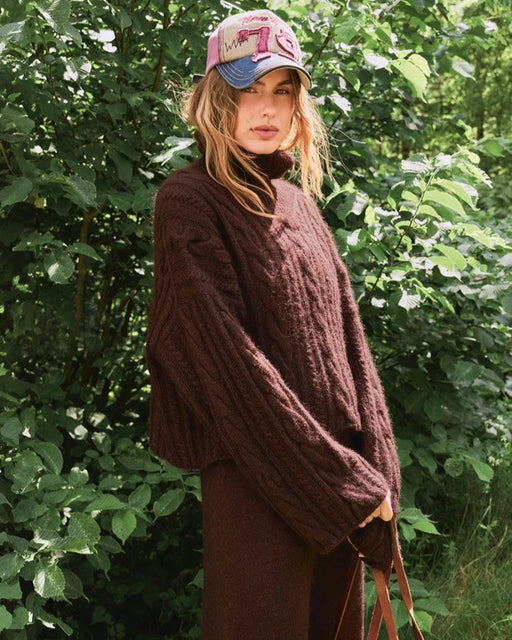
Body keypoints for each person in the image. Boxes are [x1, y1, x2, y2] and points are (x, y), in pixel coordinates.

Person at [146, 9, 400, 640]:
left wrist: (379, 469)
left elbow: (349, 340)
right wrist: (346, 485)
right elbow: (228, 368)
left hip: (337, 473)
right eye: (248, 89)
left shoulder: (299, 204)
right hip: (258, 479)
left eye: (282, 91)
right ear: (215, 99)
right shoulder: (189, 200)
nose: (267, 108)